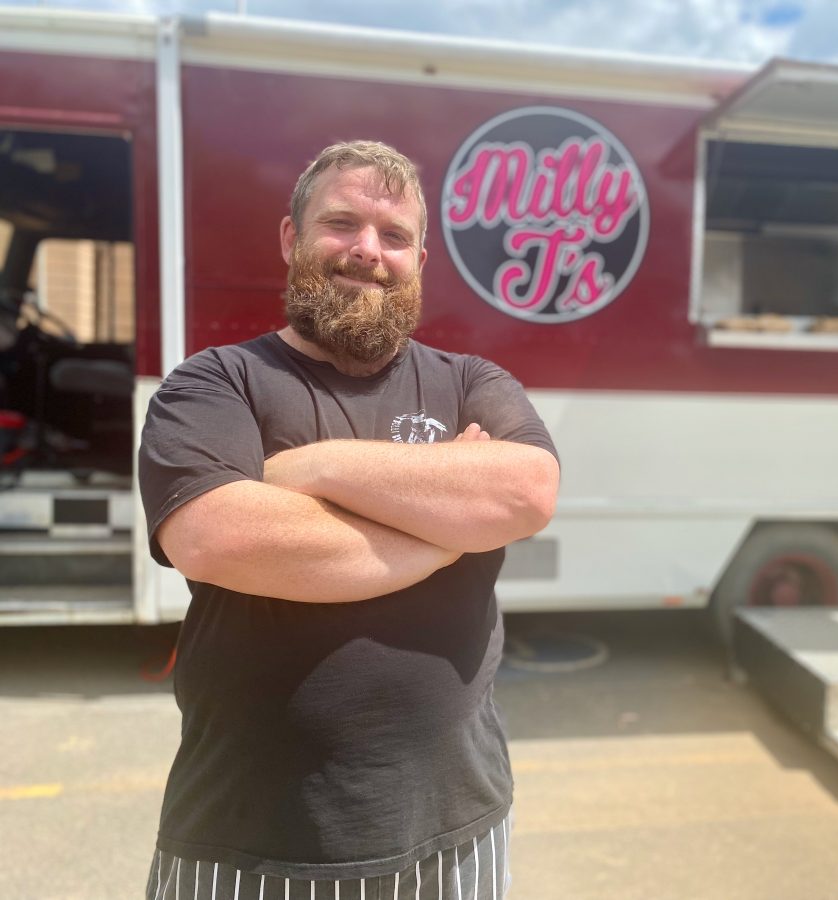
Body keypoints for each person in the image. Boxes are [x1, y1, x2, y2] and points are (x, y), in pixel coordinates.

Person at [138, 140, 559, 900]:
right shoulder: (215, 382)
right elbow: (217, 536)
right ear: (291, 238)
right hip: (250, 841)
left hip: (458, 832)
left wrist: (318, 469)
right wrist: (449, 528)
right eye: (342, 224)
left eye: (394, 235)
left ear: (421, 258)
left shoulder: (472, 381)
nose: (368, 251)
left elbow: (526, 493)